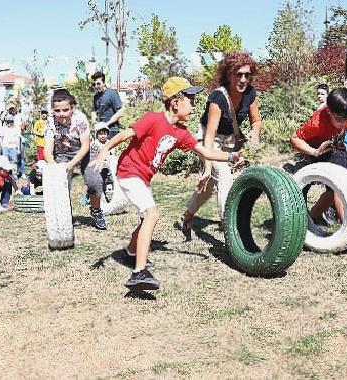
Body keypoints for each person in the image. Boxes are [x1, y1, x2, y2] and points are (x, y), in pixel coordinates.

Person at [91, 76, 244, 291]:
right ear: (175, 103)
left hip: (143, 177)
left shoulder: (180, 132)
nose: (194, 105)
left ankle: (131, 253)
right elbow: (127, 133)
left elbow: (206, 151)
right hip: (128, 171)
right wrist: (104, 149)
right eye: (190, 100)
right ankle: (138, 273)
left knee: (146, 218)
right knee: (152, 214)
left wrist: (230, 157)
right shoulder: (153, 119)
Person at [180, 51, 263, 234]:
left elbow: (256, 121)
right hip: (207, 138)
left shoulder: (250, 94)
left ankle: (187, 215)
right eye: (238, 74)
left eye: (247, 75)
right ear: (228, 74)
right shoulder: (218, 98)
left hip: (228, 139)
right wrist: (207, 167)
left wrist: (254, 134)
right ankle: (230, 227)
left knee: (208, 188)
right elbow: (209, 136)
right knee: (223, 174)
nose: (243, 79)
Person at [290, 88, 347, 224]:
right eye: (339, 119)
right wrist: (314, 151)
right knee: (339, 178)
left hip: (334, 148)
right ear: (329, 112)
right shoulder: (317, 123)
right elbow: (294, 139)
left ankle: (313, 215)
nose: (344, 123)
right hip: (317, 149)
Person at [44, 89, 90, 182]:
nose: (61, 114)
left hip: (82, 151)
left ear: (72, 108)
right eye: (57, 110)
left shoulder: (80, 119)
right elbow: (48, 148)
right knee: (61, 181)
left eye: (65, 110)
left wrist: (71, 164)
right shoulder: (50, 121)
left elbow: (85, 146)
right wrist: (53, 165)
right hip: (63, 153)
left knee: (93, 182)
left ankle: (91, 193)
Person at [83, 122, 112, 230]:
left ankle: (100, 198)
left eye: (105, 133)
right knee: (97, 184)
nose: (103, 135)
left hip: (107, 168)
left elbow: (112, 154)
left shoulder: (109, 143)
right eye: (101, 133)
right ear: (96, 135)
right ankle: (92, 199)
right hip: (98, 168)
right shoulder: (94, 144)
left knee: (105, 184)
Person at [91, 71, 124, 138]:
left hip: (112, 131)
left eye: (98, 84)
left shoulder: (112, 93)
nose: (96, 86)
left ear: (104, 83)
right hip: (101, 131)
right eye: (94, 84)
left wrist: (107, 124)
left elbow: (120, 112)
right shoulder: (96, 97)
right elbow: (93, 111)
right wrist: (94, 122)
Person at [0, 113, 22, 178]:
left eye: (11, 121)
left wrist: (19, 149)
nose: (9, 123)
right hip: (5, 147)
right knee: (5, 163)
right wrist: (1, 145)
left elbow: (19, 139)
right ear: (6, 122)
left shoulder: (16, 128)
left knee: (14, 162)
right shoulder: (3, 128)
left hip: (14, 147)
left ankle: (14, 176)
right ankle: (5, 176)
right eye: (8, 121)